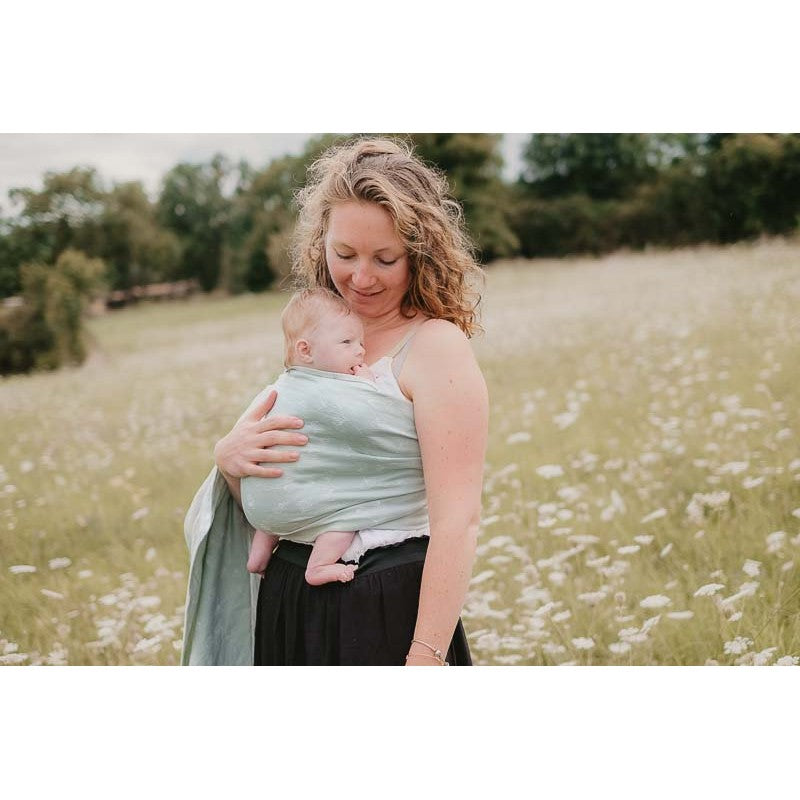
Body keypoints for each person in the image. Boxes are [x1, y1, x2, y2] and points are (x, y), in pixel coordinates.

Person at [181, 136, 488, 666]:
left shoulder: (435, 348)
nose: (361, 278)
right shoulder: (320, 337)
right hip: (290, 594)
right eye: (344, 254)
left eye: (385, 259)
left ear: (419, 254)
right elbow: (292, 474)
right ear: (320, 242)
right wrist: (230, 461)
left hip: (385, 602)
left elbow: (457, 520)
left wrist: (426, 654)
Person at [245, 286, 398, 587]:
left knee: (276, 509)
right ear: (306, 350)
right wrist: (367, 385)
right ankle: (319, 566)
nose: (360, 350)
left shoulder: (285, 385)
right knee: (345, 518)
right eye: (347, 342)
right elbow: (367, 417)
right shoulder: (339, 386)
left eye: (361, 342)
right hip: (305, 499)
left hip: (267, 504)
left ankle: (260, 553)